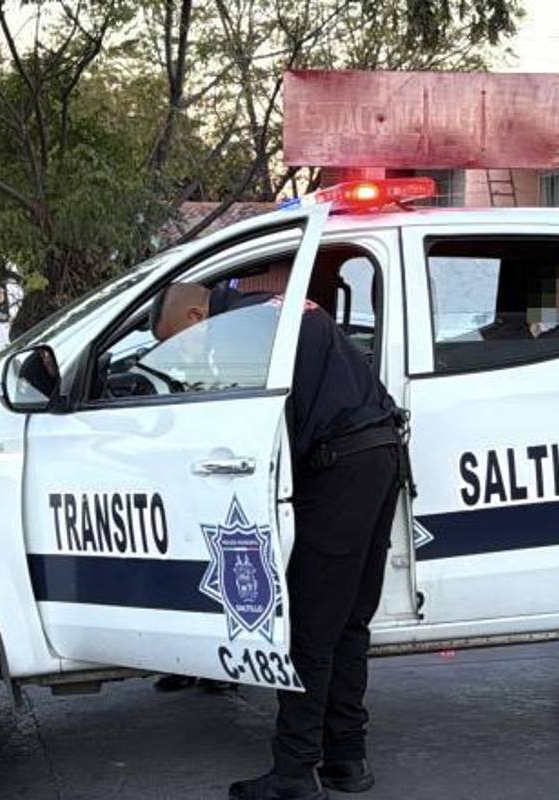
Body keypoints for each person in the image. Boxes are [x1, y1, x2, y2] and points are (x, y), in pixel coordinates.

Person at [151, 280, 404, 800]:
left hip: (341, 468)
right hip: (380, 455)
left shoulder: (240, 329)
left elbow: (252, 428)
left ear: (197, 318)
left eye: (178, 344)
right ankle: (346, 761)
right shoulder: (270, 308)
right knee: (349, 621)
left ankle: (293, 773)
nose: (180, 359)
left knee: (310, 627)